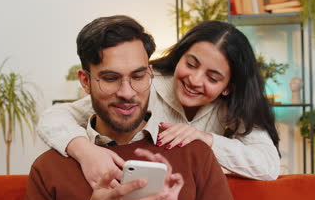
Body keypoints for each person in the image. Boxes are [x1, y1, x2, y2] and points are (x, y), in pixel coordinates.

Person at [16, 15, 254, 200]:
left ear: (151, 74)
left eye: (138, 76)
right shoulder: (49, 167)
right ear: (85, 81)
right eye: (110, 78)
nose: (127, 93)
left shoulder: (194, 153)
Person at [37, 20, 281, 187]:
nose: (195, 80)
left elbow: (268, 165)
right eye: (191, 64)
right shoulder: (142, 86)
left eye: (213, 77)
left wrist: (204, 139)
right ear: (179, 57)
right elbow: (55, 116)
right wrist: (86, 151)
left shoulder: (233, 108)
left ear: (228, 87)